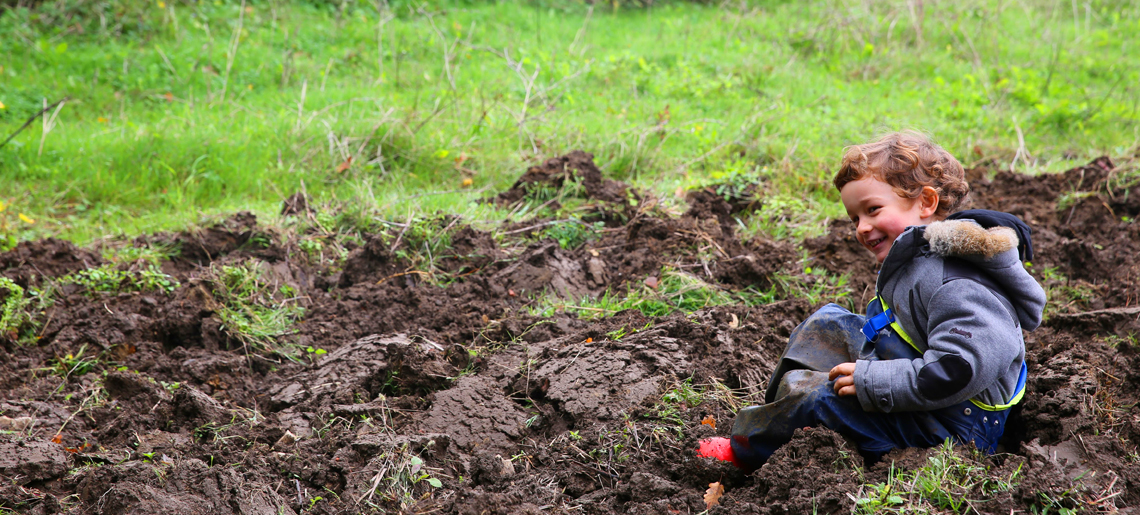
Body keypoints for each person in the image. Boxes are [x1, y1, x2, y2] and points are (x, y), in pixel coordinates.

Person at [697, 131, 1047, 471]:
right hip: (928, 386)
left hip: (958, 429)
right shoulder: (922, 254)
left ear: (926, 202)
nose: (862, 228)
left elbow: (958, 370)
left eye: (873, 209)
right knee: (827, 325)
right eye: (855, 218)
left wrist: (873, 381)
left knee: (821, 401)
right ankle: (775, 417)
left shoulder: (958, 282)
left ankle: (748, 452)